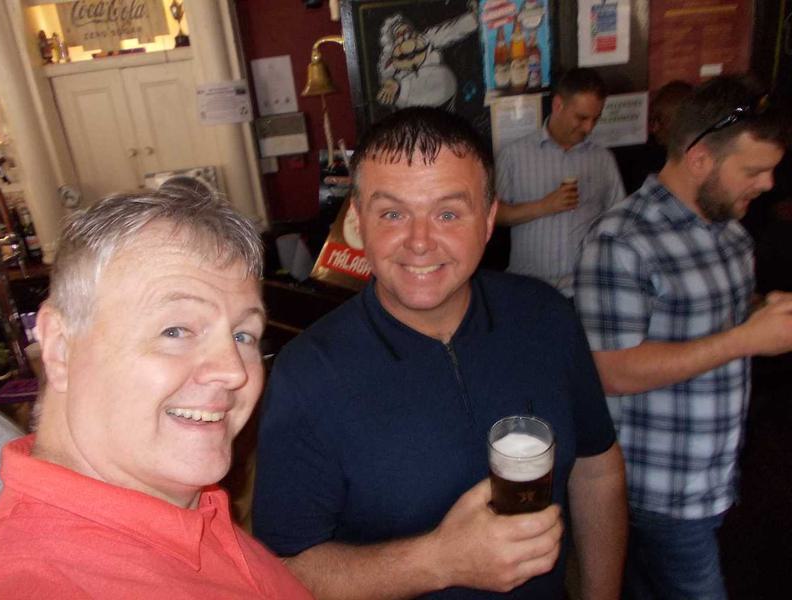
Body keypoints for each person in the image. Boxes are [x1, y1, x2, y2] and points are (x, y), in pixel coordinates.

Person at [253, 106, 627, 599]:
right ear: (358, 223)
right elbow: (279, 572)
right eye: (392, 214)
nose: (420, 242)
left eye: (448, 213)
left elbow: (598, 470)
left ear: (488, 221)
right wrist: (439, 562)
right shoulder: (306, 374)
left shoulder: (548, 318)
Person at [0, 189, 312, 599]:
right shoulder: (38, 584)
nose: (234, 371)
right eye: (175, 330)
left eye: (243, 335)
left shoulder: (173, 498)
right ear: (60, 347)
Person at [574, 74, 792, 599]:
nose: (768, 184)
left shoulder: (730, 229)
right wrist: (747, 339)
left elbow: (707, 320)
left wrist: (763, 311)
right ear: (699, 159)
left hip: (713, 472)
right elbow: (611, 370)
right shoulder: (622, 241)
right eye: (754, 170)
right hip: (656, 489)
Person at [495, 67, 624, 297]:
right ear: (558, 105)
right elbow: (495, 214)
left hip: (586, 288)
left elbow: (619, 219)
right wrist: (544, 206)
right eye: (581, 118)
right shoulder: (514, 155)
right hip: (529, 289)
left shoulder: (603, 159)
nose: (589, 127)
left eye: (596, 119)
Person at [617, 80, 694, 194]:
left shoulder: (704, 157)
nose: (654, 129)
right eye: (652, 120)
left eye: (660, 120)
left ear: (681, 123)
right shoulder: (642, 158)